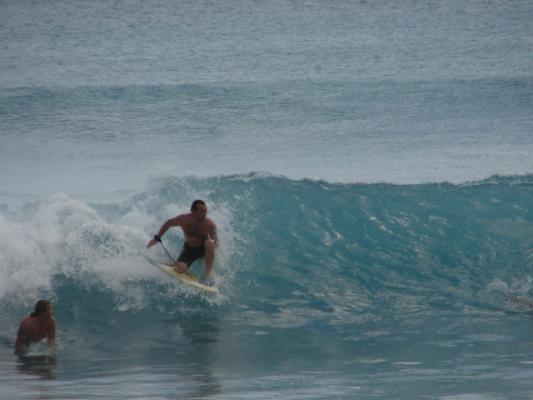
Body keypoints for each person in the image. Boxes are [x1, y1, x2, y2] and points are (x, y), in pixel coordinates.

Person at [147, 199, 218, 285]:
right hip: (190, 249)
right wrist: (157, 238)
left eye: (205, 211)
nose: (204, 214)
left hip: (203, 250)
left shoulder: (210, 225)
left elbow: (215, 243)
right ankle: (175, 265)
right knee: (178, 269)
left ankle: (207, 275)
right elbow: (168, 223)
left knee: (210, 242)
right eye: (201, 211)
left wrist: (210, 254)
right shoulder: (183, 219)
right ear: (193, 211)